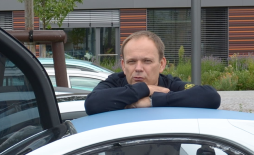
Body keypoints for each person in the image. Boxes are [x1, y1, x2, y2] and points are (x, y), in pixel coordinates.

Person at [84, 31, 221, 115]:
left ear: (161, 64)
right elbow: (92, 104)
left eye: (147, 61)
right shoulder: (115, 83)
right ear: (123, 65)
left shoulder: (170, 85)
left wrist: (152, 101)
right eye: (132, 61)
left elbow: (210, 96)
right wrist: (147, 89)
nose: (138, 68)